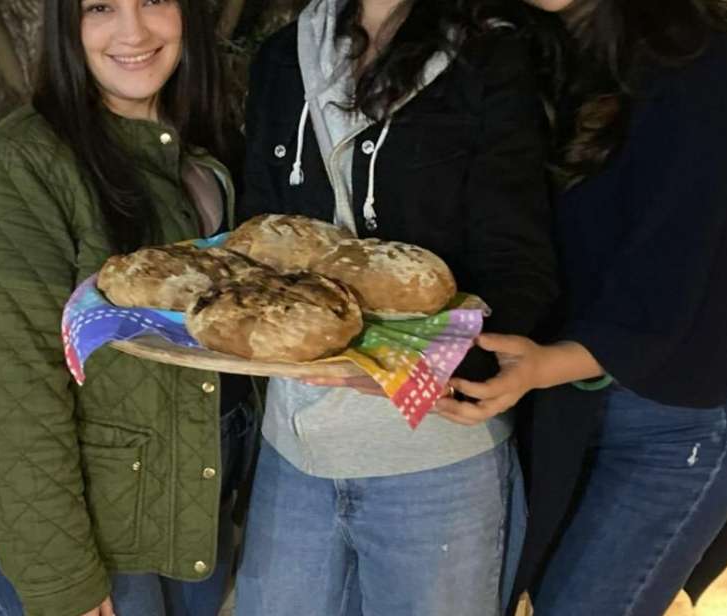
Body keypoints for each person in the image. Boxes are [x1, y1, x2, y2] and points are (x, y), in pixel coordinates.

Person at [436, 1, 727, 614]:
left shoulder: (702, 65)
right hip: (556, 408)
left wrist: (545, 365)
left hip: (670, 423)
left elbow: (681, 274)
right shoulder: (513, 48)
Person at [0, 1, 253, 614]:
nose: (132, 31)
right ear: (66, 26)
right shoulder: (21, 166)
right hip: (62, 537)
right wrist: (60, 581)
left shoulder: (205, 150)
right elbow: (8, 392)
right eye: (99, 6)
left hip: (181, 517)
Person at [233, 0, 559, 613]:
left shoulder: (489, 56)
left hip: (434, 460)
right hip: (294, 452)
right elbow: (258, 236)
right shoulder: (283, 56)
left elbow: (520, 264)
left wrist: (430, 372)